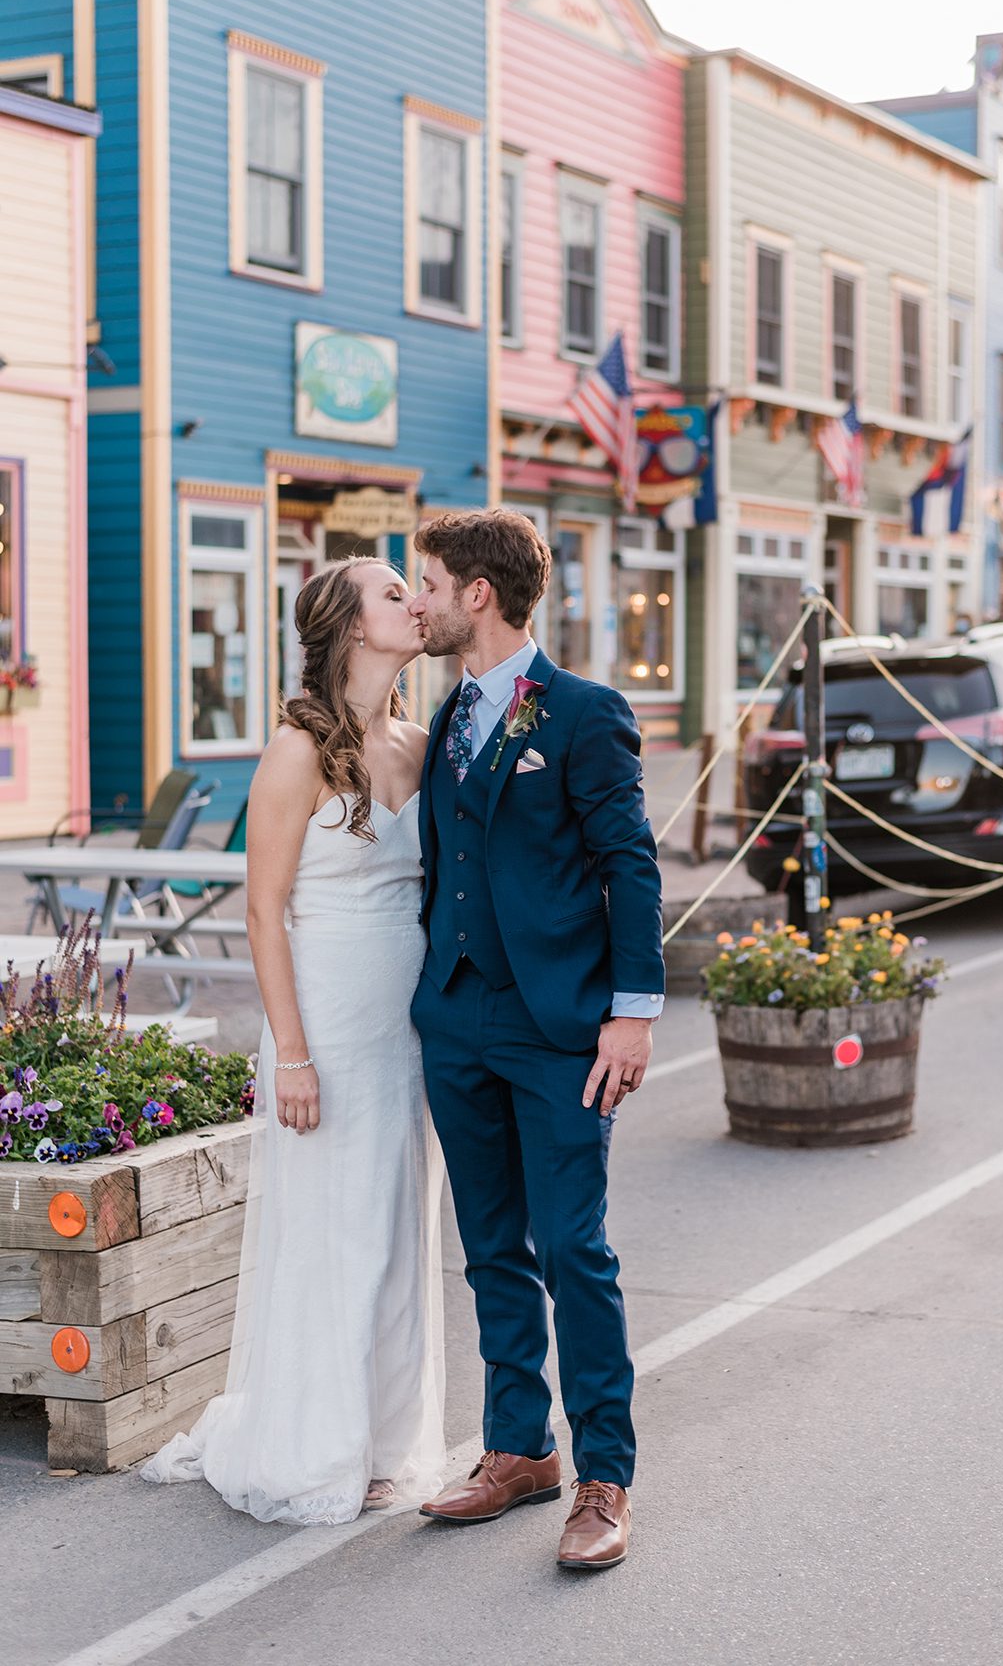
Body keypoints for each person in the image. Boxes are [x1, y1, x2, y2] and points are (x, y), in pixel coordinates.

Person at [141, 559, 445, 1525]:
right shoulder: (295, 751)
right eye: (394, 592)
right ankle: (318, 1439)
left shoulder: (419, 742)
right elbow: (264, 915)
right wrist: (294, 1055)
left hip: (406, 1029)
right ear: (352, 628)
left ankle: (387, 1440)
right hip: (325, 1024)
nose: (414, 601)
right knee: (332, 1234)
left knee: (398, 1230)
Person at [408, 508, 664, 1571]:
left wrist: (632, 1012)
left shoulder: (585, 711)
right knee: (491, 1250)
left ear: (477, 592)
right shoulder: (444, 722)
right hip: (455, 1016)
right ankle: (519, 1447)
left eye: (424, 582)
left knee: (574, 1250)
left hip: (561, 1025)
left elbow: (630, 863)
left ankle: (604, 1473)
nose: (413, 600)